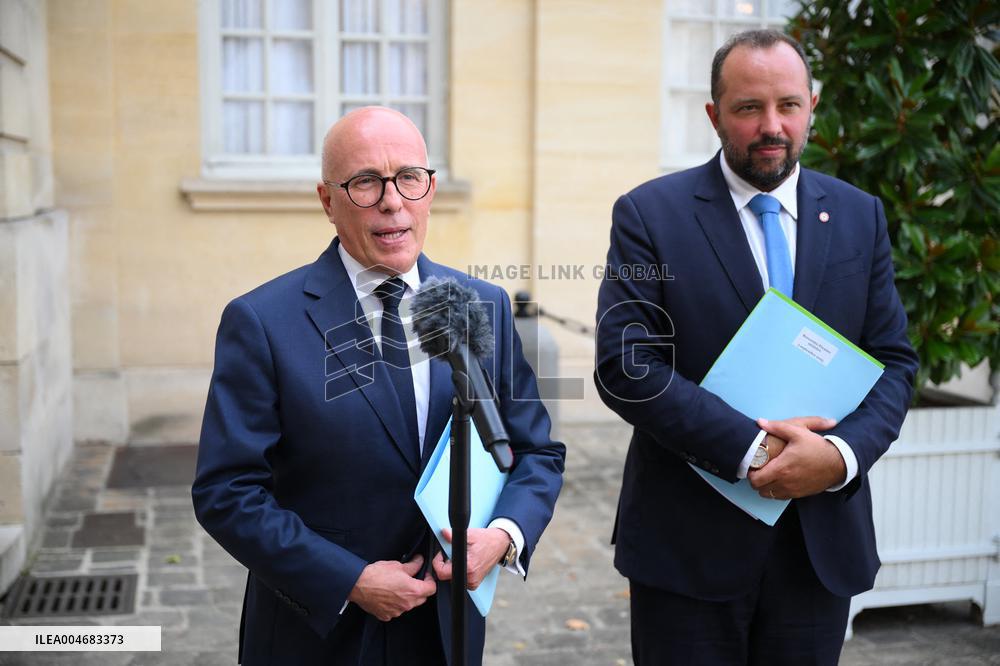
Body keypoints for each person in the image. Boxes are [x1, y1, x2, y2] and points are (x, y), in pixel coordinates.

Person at [192, 106, 566, 666]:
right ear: (327, 201)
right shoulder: (262, 322)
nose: (392, 201)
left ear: (429, 189)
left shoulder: (483, 304)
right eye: (366, 182)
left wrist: (505, 535)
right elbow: (227, 492)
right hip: (317, 637)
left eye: (408, 177)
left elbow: (535, 451)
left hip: (447, 632)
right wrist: (349, 579)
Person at [594, 29, 918, 665]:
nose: (772, 126)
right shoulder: (649, 215)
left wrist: (840, 456)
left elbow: (894, 362)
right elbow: (627, 366)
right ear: (714, 114)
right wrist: (753, 450)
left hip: (817, 547)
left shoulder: (860, 215)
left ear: (811, 107)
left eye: (788, 105)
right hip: (687, 549)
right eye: (749, 108)